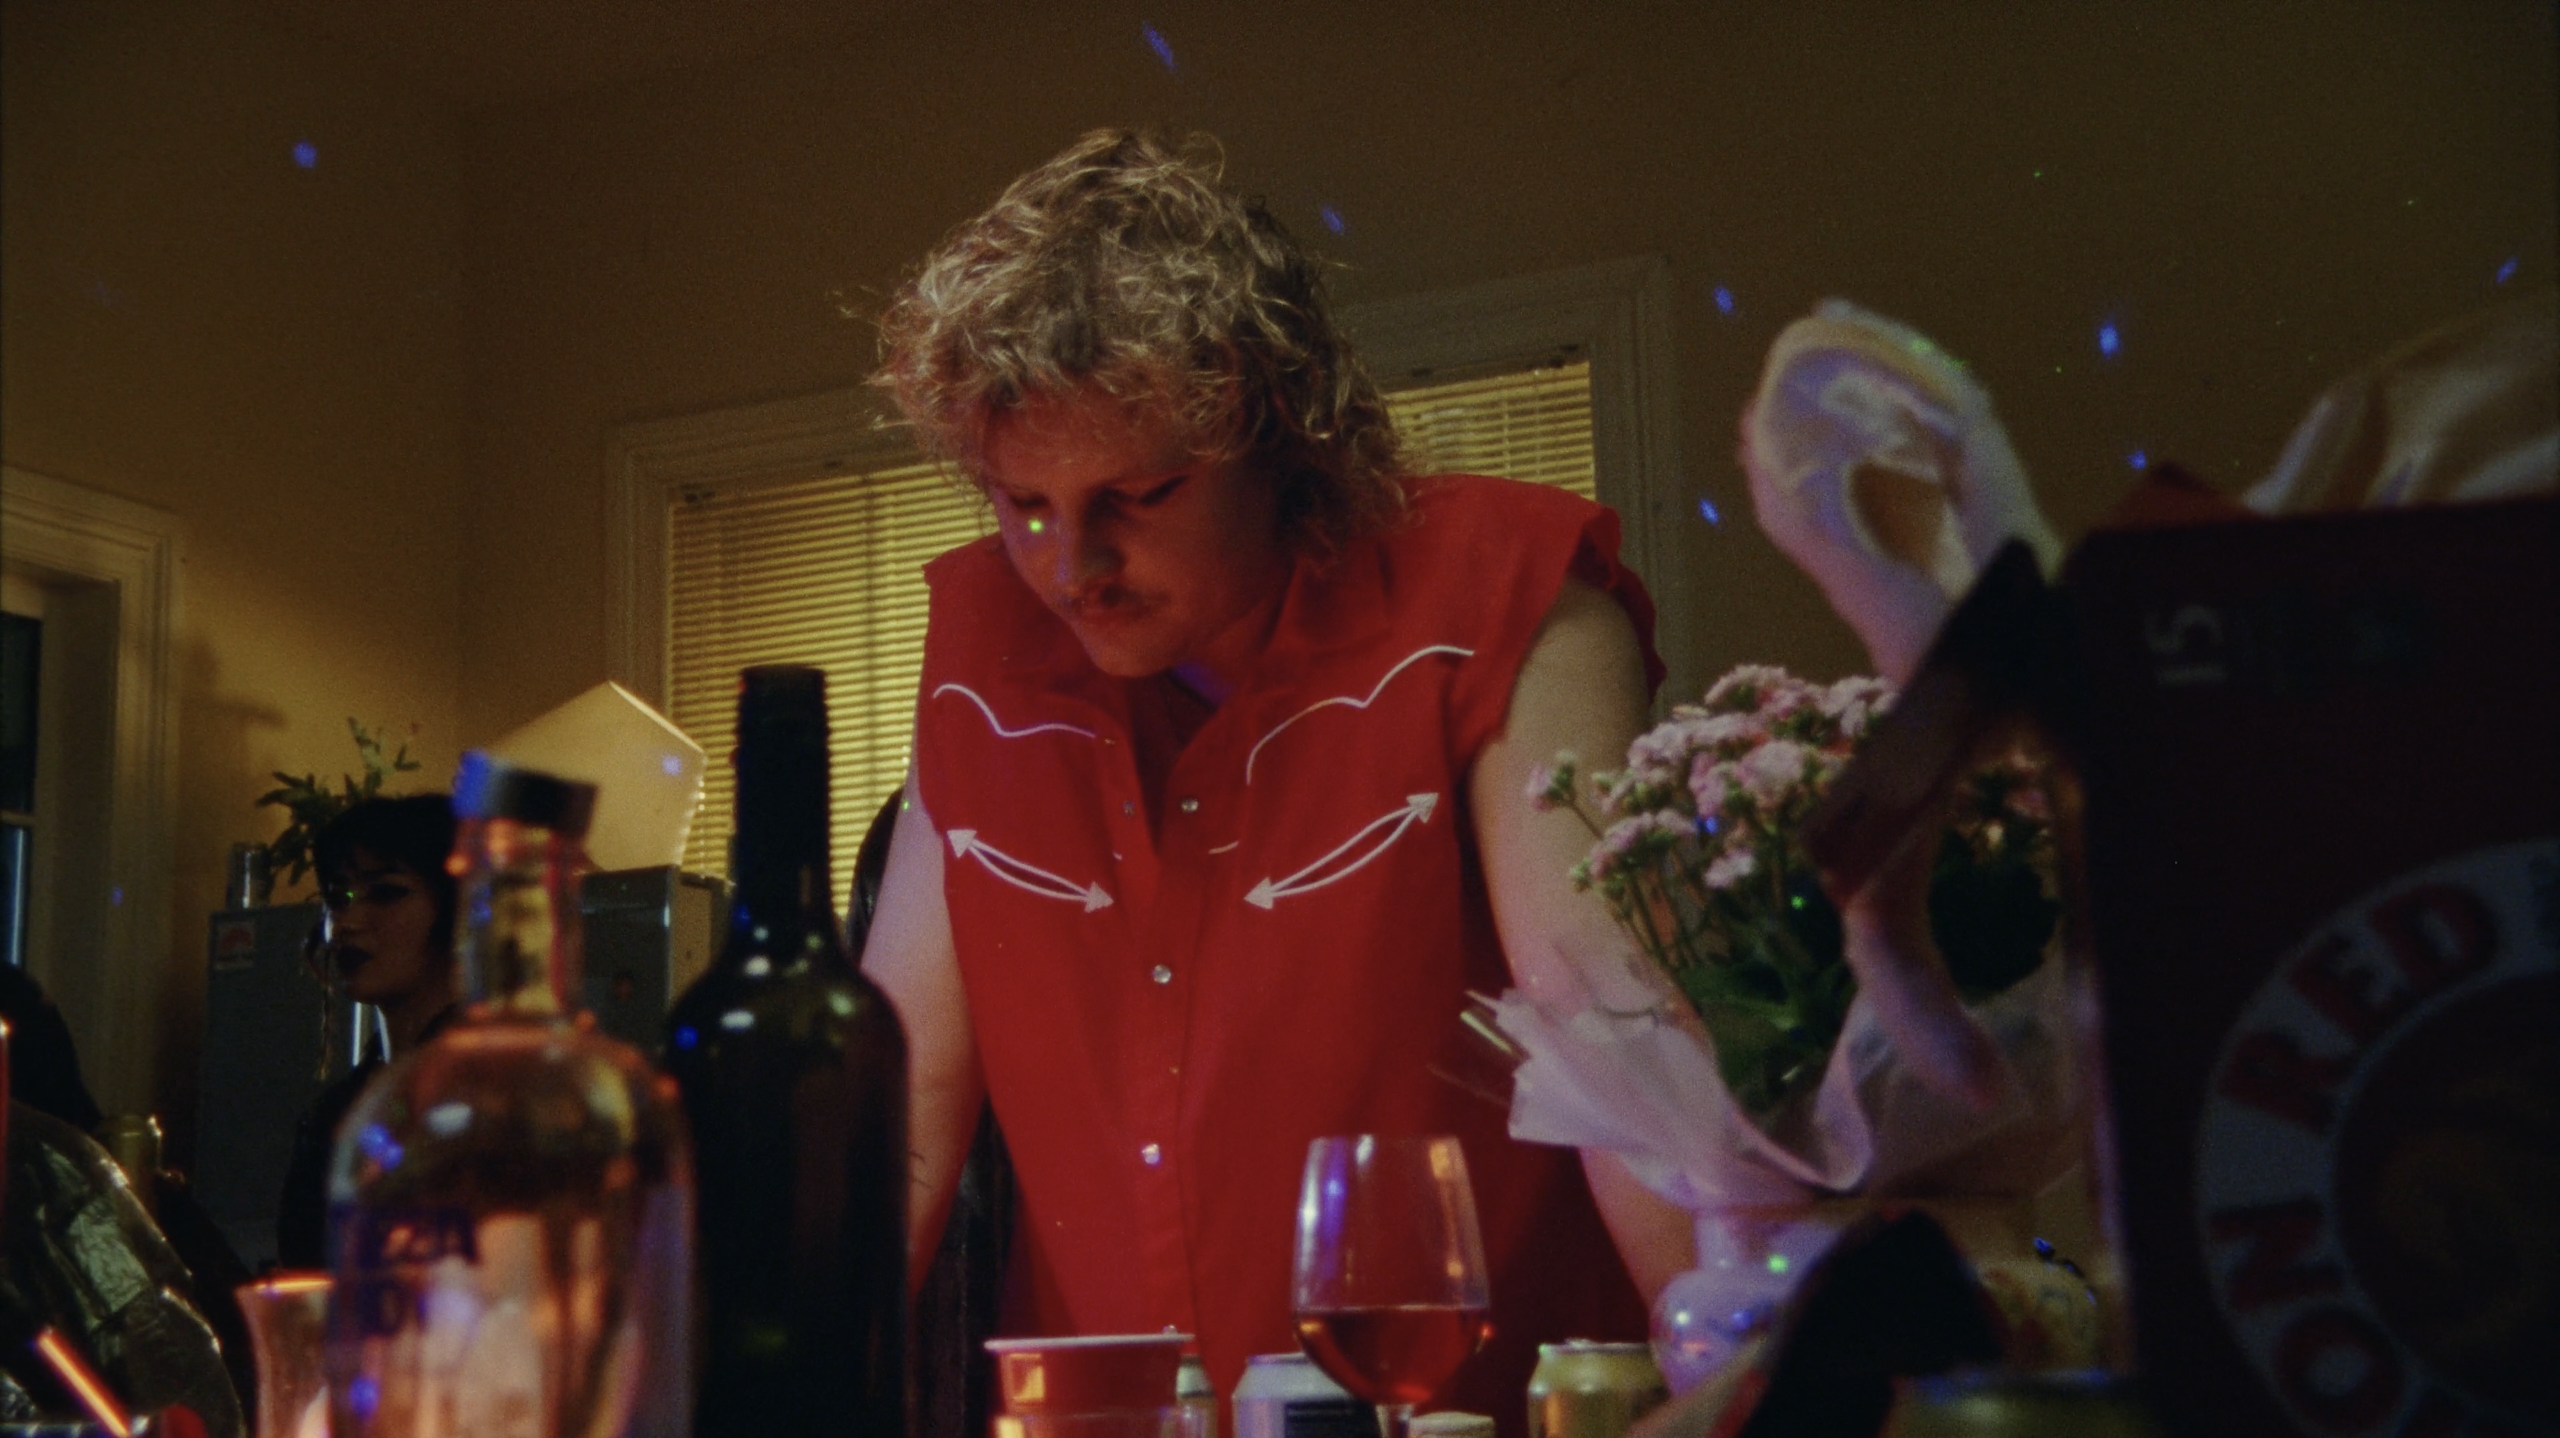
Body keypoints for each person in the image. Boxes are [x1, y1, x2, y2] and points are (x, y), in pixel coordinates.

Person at [861, 129, 1689, 1422]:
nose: (1073, 567)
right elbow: (898, 1110)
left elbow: (1616, 1023)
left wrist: (1744, 1376)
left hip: (1467, 1409)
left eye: (1141, 493)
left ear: (1276, 431)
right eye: (1023, 505)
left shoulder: (1504, 594)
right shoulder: (980, 655)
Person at [274, 793, 460, 1270]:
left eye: (387, 893)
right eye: (339, 898)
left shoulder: (489, 1095)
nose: (348, 922)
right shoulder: (339, 1110)